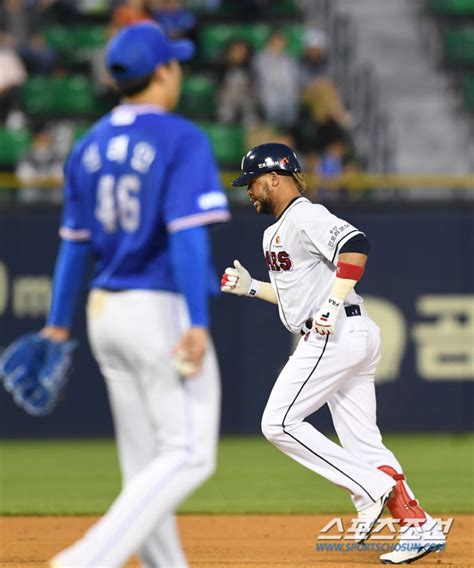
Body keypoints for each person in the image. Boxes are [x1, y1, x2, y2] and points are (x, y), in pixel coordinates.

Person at [0, 21, 230, 567]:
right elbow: (187, 235)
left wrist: (58, 324)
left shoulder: (88, 145)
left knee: (144, 465)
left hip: (105, 313)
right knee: (192, 454)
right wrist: (197, 321)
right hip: (159, 310)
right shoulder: (180, 137)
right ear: (163, 72)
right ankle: (83, 560)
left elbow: (74, 247)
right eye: (174, 62)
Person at [220, 143, 446, 565]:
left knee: (278, 422)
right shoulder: (276, 230)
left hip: (335, 332)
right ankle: (419, 527)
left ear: (275, 178)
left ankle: (367, 488)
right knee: (364, 444)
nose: (249, 191)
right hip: (347, 332)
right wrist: (250, 287)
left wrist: (330, 304)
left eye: (253, 182)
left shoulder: (306, 214)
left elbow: (357, 245)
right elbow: (296, 304)